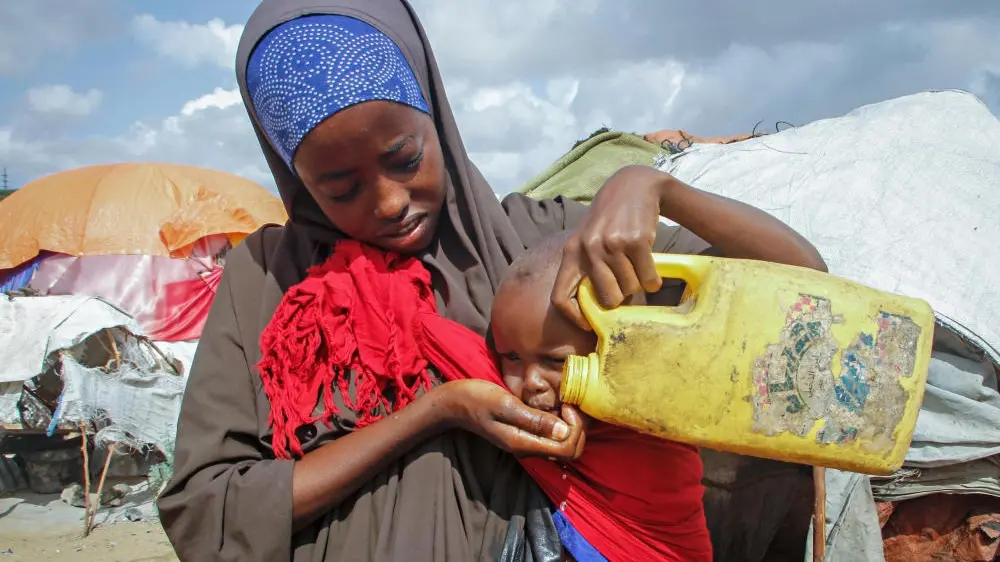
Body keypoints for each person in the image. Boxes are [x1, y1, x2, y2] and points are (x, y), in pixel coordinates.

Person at [156, 1, 827, 561]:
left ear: (437, 121)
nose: (389, 201)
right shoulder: (268, 280)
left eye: (404, 157)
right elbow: (206, 514)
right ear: (295, 180)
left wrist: (657, 188)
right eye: (340, 187)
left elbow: (800, 282)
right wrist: (434, 412)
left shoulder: (544, 242)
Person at [488, 230, 711, 562]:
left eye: (556, 360)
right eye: (512, 358)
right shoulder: (507, 422)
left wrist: (660, 189)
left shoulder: (654, 424)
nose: (531, 382)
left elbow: (799, 265)